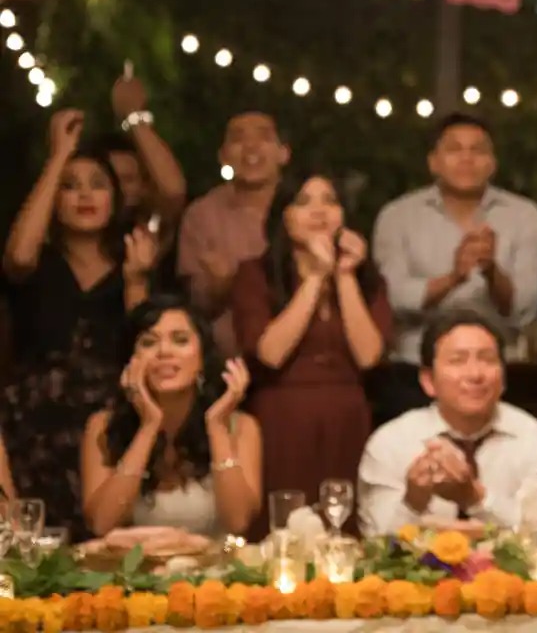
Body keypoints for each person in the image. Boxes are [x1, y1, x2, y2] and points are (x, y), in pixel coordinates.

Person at [1, 109, 158, 539]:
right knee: (32, 548)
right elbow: (17, 256)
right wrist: (59, 155)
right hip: (32, 428)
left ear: (116, 198)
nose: (84, 195)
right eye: (70, 186)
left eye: (97, 184)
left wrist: (137, 282)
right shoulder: (39, 261)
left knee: (104, 546)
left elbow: (141, 347)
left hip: (104, 429)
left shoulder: (132, 262)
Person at [231, 171, 391, 537]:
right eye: (303, 202)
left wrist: (344, 274)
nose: (319, 211)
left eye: (330, 201)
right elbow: (270, 353)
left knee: (345, 531)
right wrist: (316, 277)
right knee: (282, 530)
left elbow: (368, 356)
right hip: (282, 418)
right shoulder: (256, 274)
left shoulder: (367, 279)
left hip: (348, 415)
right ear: (283, 217)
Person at [372, 113, 537, 425]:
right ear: (433, 162)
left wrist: (491, 271)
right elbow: (393, 299)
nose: (467, 158)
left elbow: (524, 309)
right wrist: (454, 277)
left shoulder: (524, 216)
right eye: (454, 149)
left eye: (477, 150)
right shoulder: (397, 216)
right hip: (414, 374)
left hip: (498, 374)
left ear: (492, 163)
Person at [357, 311, 537, 536]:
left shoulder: (533, 438)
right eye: (458, 361)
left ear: (503, 378)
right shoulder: (390, 443)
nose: (475, 374)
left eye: (487, 359)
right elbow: (374, 540)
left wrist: (475, 498)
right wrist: (412, 503)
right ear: (428, 381)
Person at [80, 295, 262, 537]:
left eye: (180, 340)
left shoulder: (241, 426)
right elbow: (102, 524)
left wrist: (217, 427)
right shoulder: (102, 426)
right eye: (148, 342)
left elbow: (238, 523)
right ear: (131, 361)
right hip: (134, 561)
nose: (164, 351)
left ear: (203, 358)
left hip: (216, 561)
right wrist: (148, 426)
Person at [177, 111, 290, 357]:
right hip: (227, 362)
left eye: (263, 137)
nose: (251, 146)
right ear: (223, 156)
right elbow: (195, 308)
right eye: (238, 139)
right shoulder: (202, 215)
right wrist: (220, 288)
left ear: (284, 153)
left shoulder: (304, 206)